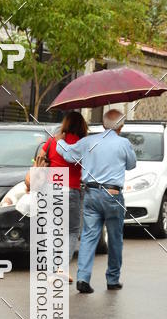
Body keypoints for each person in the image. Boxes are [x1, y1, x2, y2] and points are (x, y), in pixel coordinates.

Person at [57, 109, 136, 294]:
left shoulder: (88, 141)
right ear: (121, 126)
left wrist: (59, 140)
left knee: (88, 236)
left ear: (102, 124)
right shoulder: (123, 143)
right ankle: (112, 279)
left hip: (91, 193)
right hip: (113, 194)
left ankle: (83, 278)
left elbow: (67, 154)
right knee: (115, 238)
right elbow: (132, 165)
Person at [41, 111, 88, 283]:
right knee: (72, 231)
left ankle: (51, 270)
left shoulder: (53, 140)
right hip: (70, 189)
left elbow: (40, 158)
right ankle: (61, 268)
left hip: (49, 187)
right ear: (82, 126)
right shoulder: (83, 144)